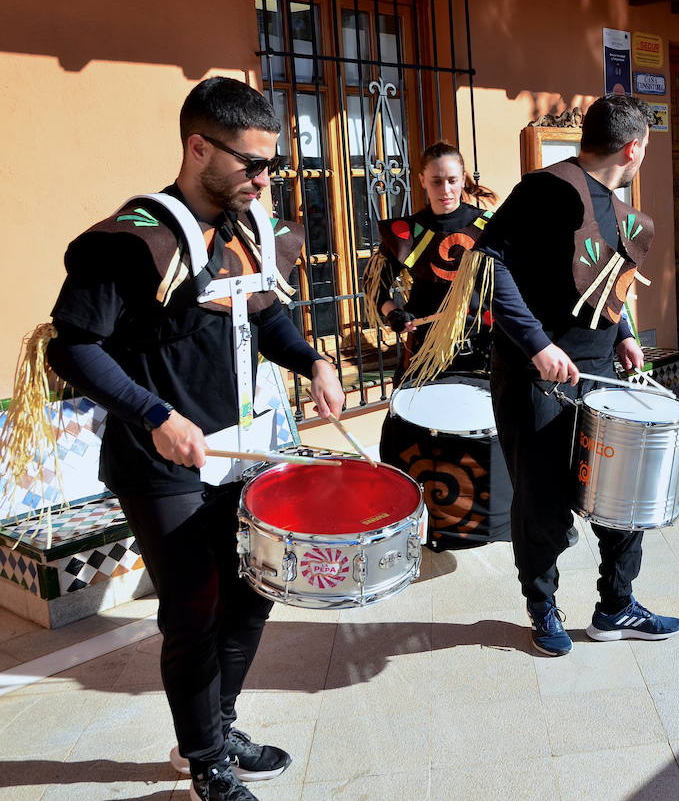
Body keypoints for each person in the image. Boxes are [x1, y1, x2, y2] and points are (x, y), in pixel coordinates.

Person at [32, 78, 345, 801]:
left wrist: (315, 360)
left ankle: (215, 725)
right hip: (160, 458)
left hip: (243, 448)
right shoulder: (132, 239)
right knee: (195, 608)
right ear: (197, 146)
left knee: (256, 590)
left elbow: (265, 318)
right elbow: (72, 348)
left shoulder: (249, 226)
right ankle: (205, 761)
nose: (264, 180)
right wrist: (155, 414)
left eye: (272, 164)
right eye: (251, 164)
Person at [475, 94, 679, 657]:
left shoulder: (613, 202)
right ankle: (542, 607)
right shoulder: (545, 190)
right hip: (535, 376)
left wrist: (625, 335)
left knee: (624, 496)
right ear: (633, 147)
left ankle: (616, 606)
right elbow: (488, 265)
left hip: (598, 374)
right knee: (541, 500)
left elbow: (608, 284)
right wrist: (537, 345)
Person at [364, 141, 498, 383]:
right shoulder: (406, 233)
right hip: (425, 351)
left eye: (452, 180)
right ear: (422, 180)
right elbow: (375, 287)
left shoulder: (488, 226)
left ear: (462, 180)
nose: (445, 190)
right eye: (436, 181)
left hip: (484, 347)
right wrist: (393, 314)